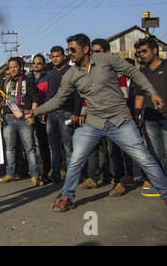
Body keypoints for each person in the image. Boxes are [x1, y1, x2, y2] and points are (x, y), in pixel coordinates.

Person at [25, 33, 167, 210]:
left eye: (72, 49)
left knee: (144, 158)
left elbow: (133, 73)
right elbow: (58, 99)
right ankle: (67, 197)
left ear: (85, 49)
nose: (70, 53)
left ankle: (165, 192)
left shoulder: (106, 60)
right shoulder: (71, 74)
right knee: (76, 158)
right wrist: (34, 111)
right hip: (94, 122)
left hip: (119, 120)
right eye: (68, 49)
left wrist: (152, 92)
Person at [78, 38, 129, 196]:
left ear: (107, 52)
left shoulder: (115, 70)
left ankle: (119, 181)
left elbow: (124, 96)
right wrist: (83, 112)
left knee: (114, 149)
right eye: (93, 52)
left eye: (98, 52)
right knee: (93, 148)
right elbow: (87, 95)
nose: (95, 55)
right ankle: (94, 178)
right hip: (94, 116)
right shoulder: (90, 70)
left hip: (113, 116)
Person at [0, 56, 42, 186]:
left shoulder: (28, 81)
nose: (12, 69)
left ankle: (35, 175)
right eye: (10, 67)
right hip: (9, 118)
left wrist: (32, 114)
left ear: (21, 67)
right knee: (9, 149)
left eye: (15, 66)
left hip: (23, 118)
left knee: (30, 148)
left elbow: (35, 98)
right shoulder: (4, 83)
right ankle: (10, 173)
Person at [134, 37, 167, 197]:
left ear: (155, 51)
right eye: (139, 52)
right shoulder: (142, 73)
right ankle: (160, 185)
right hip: (149, 118)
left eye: (144, 51)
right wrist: (136, 114)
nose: (141, 54)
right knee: (154, 153)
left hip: (165, 117)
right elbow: (139, 96)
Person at [43, 46, 82, 184]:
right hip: (51, 114)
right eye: (52, 56)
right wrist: (44, 111)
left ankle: (72, 177)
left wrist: (76, 113)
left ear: (64, 57)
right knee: (53, 147)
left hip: (66, 113)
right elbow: (49, 94)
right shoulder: (50, 73)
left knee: (68, 146)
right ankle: (55, 176)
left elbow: (78, 94)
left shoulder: (71, 71)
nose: (55, 59)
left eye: (58, 56)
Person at [27, 54, 51, 183]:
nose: (36, 65)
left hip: (44, 113)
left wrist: (44, 111)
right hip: (31, 114)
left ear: (44, 65)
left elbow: (51, 96)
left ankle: (45, 172)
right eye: (34, 63)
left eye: (39, 63)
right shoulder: (28, 78)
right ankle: (34, 172)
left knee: (44, 144)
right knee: (32, 145)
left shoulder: (48, 77)